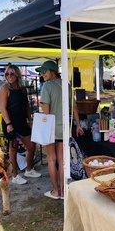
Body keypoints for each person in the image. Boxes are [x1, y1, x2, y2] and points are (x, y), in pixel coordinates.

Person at [38, 60, 83, 200]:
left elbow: (46, 113)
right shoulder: (66, 85)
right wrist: (78, 124)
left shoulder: (47, 86)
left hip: (51, 128)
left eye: (44, 71)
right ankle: (63, 191)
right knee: (63, 160)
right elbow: (74, 107)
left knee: (51, 159)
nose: (42, 74)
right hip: (64, 128)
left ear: (52, 71)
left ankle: (55, 191)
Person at [0, 64, 41, 185]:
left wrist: (30, 119)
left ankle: (29, 169)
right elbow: (2, 108)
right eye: (7, 74)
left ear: (17, 74)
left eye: (12, 73)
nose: (9, 76)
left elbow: (27, 106)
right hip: (10, 123)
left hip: (23, 122)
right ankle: (15, 176)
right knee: (13, 149)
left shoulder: (22, 89)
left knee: (31, 146)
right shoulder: (4, 88)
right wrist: (8, 123)